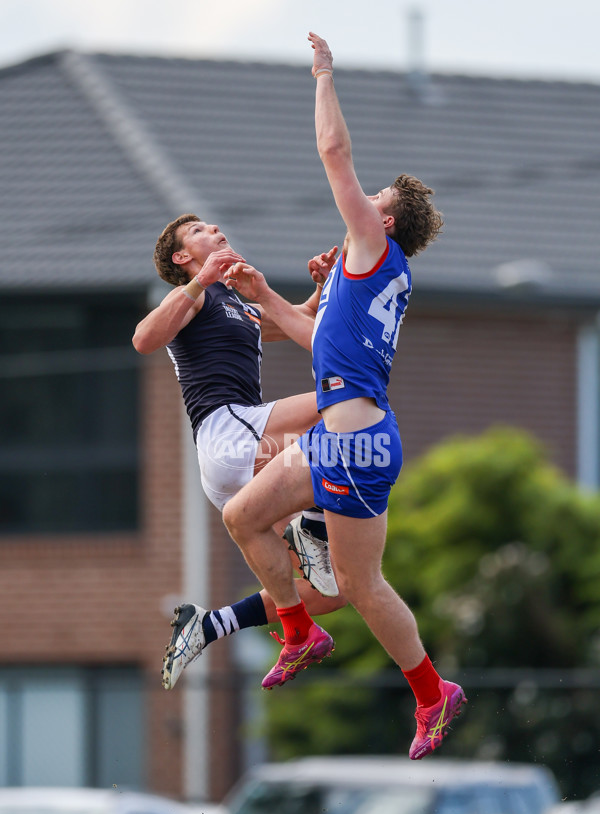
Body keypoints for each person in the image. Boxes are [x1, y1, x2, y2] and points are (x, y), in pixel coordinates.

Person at [222, 32, 466, 759]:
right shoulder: (361, 277)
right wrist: (259, 291)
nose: (359, 203)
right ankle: (300, 631)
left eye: (372, 201)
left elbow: (334, 155)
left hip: (357, 444)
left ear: (381, 220)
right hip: (338, 430)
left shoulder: (372, 245)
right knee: (243, 515)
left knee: (363, 584)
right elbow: (309, 336)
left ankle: (432, 693)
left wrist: (324, 75)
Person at [133, 214, 342, 690]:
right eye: (199, 231)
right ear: (182, 258)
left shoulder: (236, 303)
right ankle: (312, 523)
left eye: (213, 227)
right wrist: (201, 279)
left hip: (239, 455)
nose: (215, 230)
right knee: (344, 397)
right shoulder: (196, 294)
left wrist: (321, 290)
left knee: (334, 590)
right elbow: (144, 340)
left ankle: (220, 625)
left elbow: (300, 322)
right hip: (227, 430)